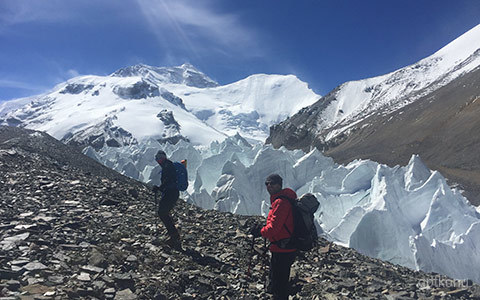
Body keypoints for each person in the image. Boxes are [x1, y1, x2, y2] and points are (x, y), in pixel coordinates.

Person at [251, 174, 297, 300]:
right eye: (267, 183)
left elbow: (274, 228)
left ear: (279, 185)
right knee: (279, 281)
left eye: (272, 183)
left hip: (283, 249)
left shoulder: (281, 202)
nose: (269, 186)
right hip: (283, 247)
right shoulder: (281, 200)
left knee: (279, 285)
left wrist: (260, 231)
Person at [153, 150, 181, 249]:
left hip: (171, 193)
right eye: (157, 159)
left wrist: (159, 188)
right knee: (164, 212)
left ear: (163, 158)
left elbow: (169, 180)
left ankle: (174, 236)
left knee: (162, 212)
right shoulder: (167, 165)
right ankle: (173, 234)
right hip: (171, 193)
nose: (158, 161)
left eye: (159, 158)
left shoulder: (167, 166)